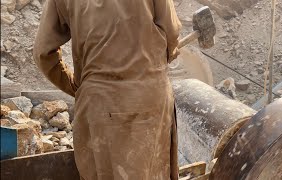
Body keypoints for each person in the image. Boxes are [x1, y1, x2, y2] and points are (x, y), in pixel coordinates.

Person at [33, 0, 181, 179]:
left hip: (99, 103)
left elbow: (43, 53)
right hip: (150, 98)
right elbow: (171, 34)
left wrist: (76, 87)